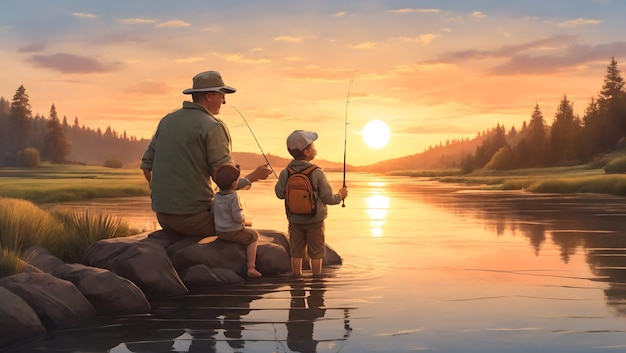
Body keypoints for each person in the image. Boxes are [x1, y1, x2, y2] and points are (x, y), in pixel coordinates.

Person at [141, 70, 272, 238]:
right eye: (222, 95)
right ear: (209, 96)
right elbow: (223, 180)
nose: (224, 101)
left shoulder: (167, 120)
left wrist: (157, 188)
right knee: (248, 233)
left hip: (163, 217)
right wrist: (254, 176)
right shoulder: (213, 126)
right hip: (194, 220)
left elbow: (146, 164)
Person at [275, 130, 348, 276]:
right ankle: (316, 280)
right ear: (307, 152)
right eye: (313, 146)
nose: (315, 149)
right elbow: (328, 198)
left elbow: (279, 194)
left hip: (294, 220)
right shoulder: (317, 172)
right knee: (316, 253)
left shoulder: (285, 172)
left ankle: (297, 279)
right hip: (315, 220)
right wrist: (340, 195)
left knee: (296, 252)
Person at [213, 163, 262, 278]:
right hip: (232, 232)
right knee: (254, 236)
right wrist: (244, 220)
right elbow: (237, 217)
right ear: (235, 183)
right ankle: (251, 267)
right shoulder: (233, 196)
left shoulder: (217, 196)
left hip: (219, 231)